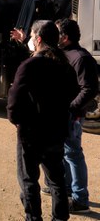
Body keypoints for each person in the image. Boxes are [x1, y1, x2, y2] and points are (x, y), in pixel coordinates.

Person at [7, 20, 79, 221]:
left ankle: (34, 218)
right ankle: (59, 218)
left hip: (31, 134)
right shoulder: (65, 65)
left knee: (29, 180)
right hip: (56, 132)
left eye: (30, 36)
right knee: (57, 179)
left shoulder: (29, 65)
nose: (29, 40)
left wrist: (17, 121)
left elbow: (13, 101)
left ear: (38, 39)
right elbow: (73, 92)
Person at [47, 18, 97, 213]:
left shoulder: (81, 58)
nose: (53, 36)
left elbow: (90, 89)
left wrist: (71, 108)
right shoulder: (63, 53)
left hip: (72, 116)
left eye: (56, 33)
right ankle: (66, 189)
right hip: (62, 114)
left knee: (73, 154)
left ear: (65, 37)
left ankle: (80, 199)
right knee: (64, 154)